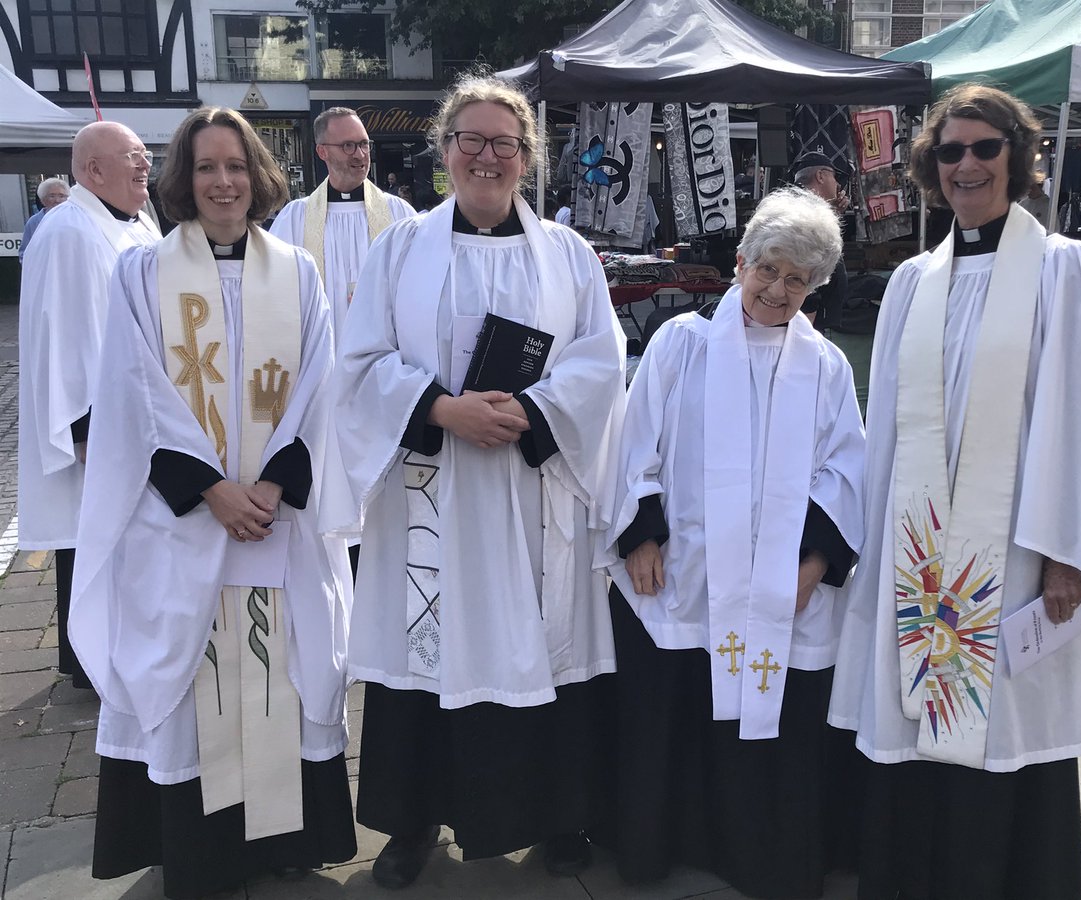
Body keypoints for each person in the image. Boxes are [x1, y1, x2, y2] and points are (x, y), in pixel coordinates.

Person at [827, 83, 1081, 900]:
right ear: (931, 168)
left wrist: (1066, 553)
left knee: (1004, 720)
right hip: (920, 548)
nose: (966, 165)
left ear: (1019, 156)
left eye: (984, 147)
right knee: (915, 718)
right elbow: (887, 426)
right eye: (950, 151)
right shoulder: (912, 282)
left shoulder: (1064, 269)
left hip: (1014, 545)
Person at [334, 73, 626, 890]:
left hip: (535, 491)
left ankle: (559, 816)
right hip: (433, 490)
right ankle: (413, 822)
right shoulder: (400, 250)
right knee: (428, 651)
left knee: (544, 645)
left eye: (504, 143)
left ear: (527, 157)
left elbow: (603, 363)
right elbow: (358, 363)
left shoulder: (569, 257)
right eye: (471, 139)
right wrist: (440, 408)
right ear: (445, 150)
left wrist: (532, 411)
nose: (486, 156)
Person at [68, 106, 356, 898]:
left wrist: (272, 486)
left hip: (276, 519)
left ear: (256, 174)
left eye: (235, 165)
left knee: (283, 669)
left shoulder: (297, 272)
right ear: (183, 180)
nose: (223, 182)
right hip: (183, 522)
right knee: (191, 673)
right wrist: (212, 489)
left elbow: (320, 389)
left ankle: (284, 840)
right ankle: (203, 854)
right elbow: (133, 394)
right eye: (205, 167)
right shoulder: (142, 273)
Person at [603, 186, 866, 899]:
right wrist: (641, 535)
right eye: (768, 269)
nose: (778, 290)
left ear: (815, 287)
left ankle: (763, 853)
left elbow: (846, 470)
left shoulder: (826, 366)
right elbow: (636, 443)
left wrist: (815, 562)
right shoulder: (681, 344)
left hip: (783, 587)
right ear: (742, 262)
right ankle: (666, 843)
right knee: (676, 702)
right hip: (684, 575)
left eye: (798, 279)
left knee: (776, 717)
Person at [17, 123, 161, 691]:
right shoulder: (70, 231)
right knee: (94, 542)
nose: (145, 165)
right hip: (95, 429)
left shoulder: (135, 222)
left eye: (145, 155)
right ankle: (92, 664)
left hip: (135, 417)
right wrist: (85, 433)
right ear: (93, 170)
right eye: (133, 156)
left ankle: (120, 654)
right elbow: (67, 339)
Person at [270, 108, 415, 341]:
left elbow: (419, 286)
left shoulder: (399, 214)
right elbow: (276, 292)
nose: (360, 154)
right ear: (322, 151)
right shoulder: (295, 218)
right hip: (320, 352)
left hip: (384, 353)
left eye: (364, 144)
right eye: (348, 146)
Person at [794, 151, 849, 331]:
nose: (837, 184)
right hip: (809, 320)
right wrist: (808, 329)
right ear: (820, 176)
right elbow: (805, 270)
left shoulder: (807, 209)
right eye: (834, 176)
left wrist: (833, 213)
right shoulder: (805, 213)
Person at [18, 177, 70, 262]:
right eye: (52, 196)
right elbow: (24, 253)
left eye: (61, 196)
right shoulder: (34, 222)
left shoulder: (75, 219)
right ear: (42, 200)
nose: (57, 200)